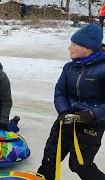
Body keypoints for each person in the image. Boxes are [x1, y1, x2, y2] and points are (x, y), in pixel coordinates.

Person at [37, 24, 105, 180]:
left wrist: (93, 114)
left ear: (87, 48)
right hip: (66, 119)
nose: (69, 47)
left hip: (91, 124)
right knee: (50, 158)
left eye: (74, 44)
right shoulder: (69, 68)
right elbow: (60, 92)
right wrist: (64, 111)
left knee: (79, 164)